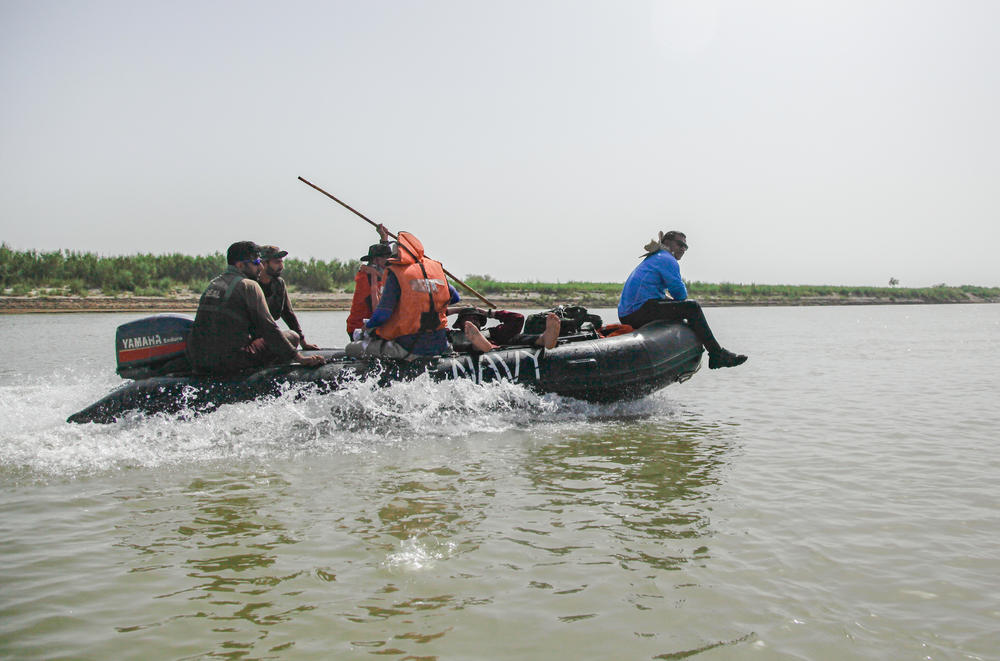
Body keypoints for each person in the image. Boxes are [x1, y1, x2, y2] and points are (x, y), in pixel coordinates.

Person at [187, 241, 326, 374]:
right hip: (231, 362)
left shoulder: (214, 283)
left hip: (200, 360)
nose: (260, 267)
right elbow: (269, 328)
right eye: (256, 263)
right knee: (292, 336)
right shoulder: (249, 285)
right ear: (240, 265)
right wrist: (299, 357)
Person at [618, 231, 747, 369]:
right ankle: (717, 354)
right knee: (692, 307)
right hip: (636, 312)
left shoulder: (656, 257)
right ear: (667, 242)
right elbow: (680, 295)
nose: (683, 249)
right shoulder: (667, 259)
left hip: (631, 312)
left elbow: (656, 294)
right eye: (680, 244)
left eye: (686, 247)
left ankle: (715, 353)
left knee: (683, 308)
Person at [345, 231, 460, 360]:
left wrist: (369, 326)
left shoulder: (397, 274)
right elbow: (455, 298)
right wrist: (426, 301)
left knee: (350, 348)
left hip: (409, 347)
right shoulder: (434, 270)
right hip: (440, 344)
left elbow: (382, 314)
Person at [257, 245, 319, 351]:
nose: (281, 266)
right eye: (277, 262)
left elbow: (288, 313)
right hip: (251, 339)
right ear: (263, 263)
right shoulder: (250, 284)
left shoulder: (278, 283)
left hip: (268, 335)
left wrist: (303, 343)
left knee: (294, 337)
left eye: (281, 262)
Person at [346, 224, 392, 341]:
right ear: (376, 260)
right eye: (387, 259)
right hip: (358, 328)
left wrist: (384, 237)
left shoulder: (377, 274)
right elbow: (376, 308)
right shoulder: (367, 278)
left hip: (372, 325)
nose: (390, 263)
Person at [449, 306, 561, 352]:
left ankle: (545, 338)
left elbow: (517, 319)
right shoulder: (451, 335)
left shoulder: (491, 332)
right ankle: (481, 345)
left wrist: (490, 313)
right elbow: (433, 318)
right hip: (472, 352)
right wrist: (456, 310)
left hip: (497, 349)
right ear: (459, 324)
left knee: (516, 338)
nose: (472, 321)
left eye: (475, 319)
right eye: (468, 319)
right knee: (473, 347)